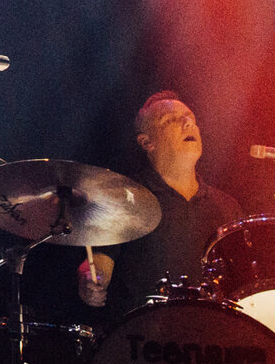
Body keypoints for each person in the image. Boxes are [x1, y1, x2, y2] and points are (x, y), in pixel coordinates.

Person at [78, 91, 241, 310]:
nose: (187, 123)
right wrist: (91, 279)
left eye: (190, 117)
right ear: (147, 142)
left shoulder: (227, 207)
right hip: (144, 335)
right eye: (171, 120)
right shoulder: (125, 196)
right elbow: (98, 263)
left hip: (210, 336)